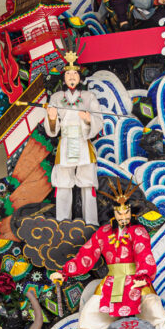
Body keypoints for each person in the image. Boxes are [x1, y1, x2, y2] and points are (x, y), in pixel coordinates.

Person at [50, 179, 165, 329]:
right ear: (112, 213)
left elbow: (144, 253)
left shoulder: (138, 231)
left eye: (126, 211)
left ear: (131, 211)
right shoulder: (103, 233)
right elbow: (86, 256)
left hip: (136, 280)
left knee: (156, 311)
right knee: (89, 314)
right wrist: (64, 273)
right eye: (119, 213)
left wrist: (143, 276)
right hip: (111, 283)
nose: (123, 216)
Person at [43, 54, 103, 225]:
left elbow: (99, 119)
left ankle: (91, 222)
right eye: (68, 75)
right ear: (63, 78)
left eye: (74, 75)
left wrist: (89, 119)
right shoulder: (55, 98)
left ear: (80, 77)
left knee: (88, 182)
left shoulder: (88, 97)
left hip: (83, 141)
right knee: (63, 183)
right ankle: (62, 222)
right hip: (66, 141)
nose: (71, 78)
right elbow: (51, 129)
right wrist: (52, 118)